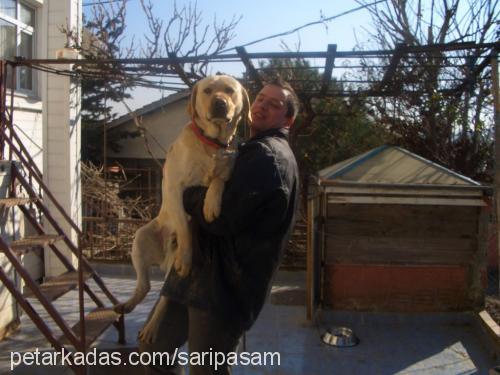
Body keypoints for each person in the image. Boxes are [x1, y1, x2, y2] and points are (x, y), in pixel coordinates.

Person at [138, 78, 300, 375]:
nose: (263, 105)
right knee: (154, 350)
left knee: (205, 370)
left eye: (274, 104)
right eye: (261, 99)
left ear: (287, 119)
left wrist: (183, 192)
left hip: (224, 290)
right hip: (200, 276)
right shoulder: (250, 148)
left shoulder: (269, 156)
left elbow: (223, 218)